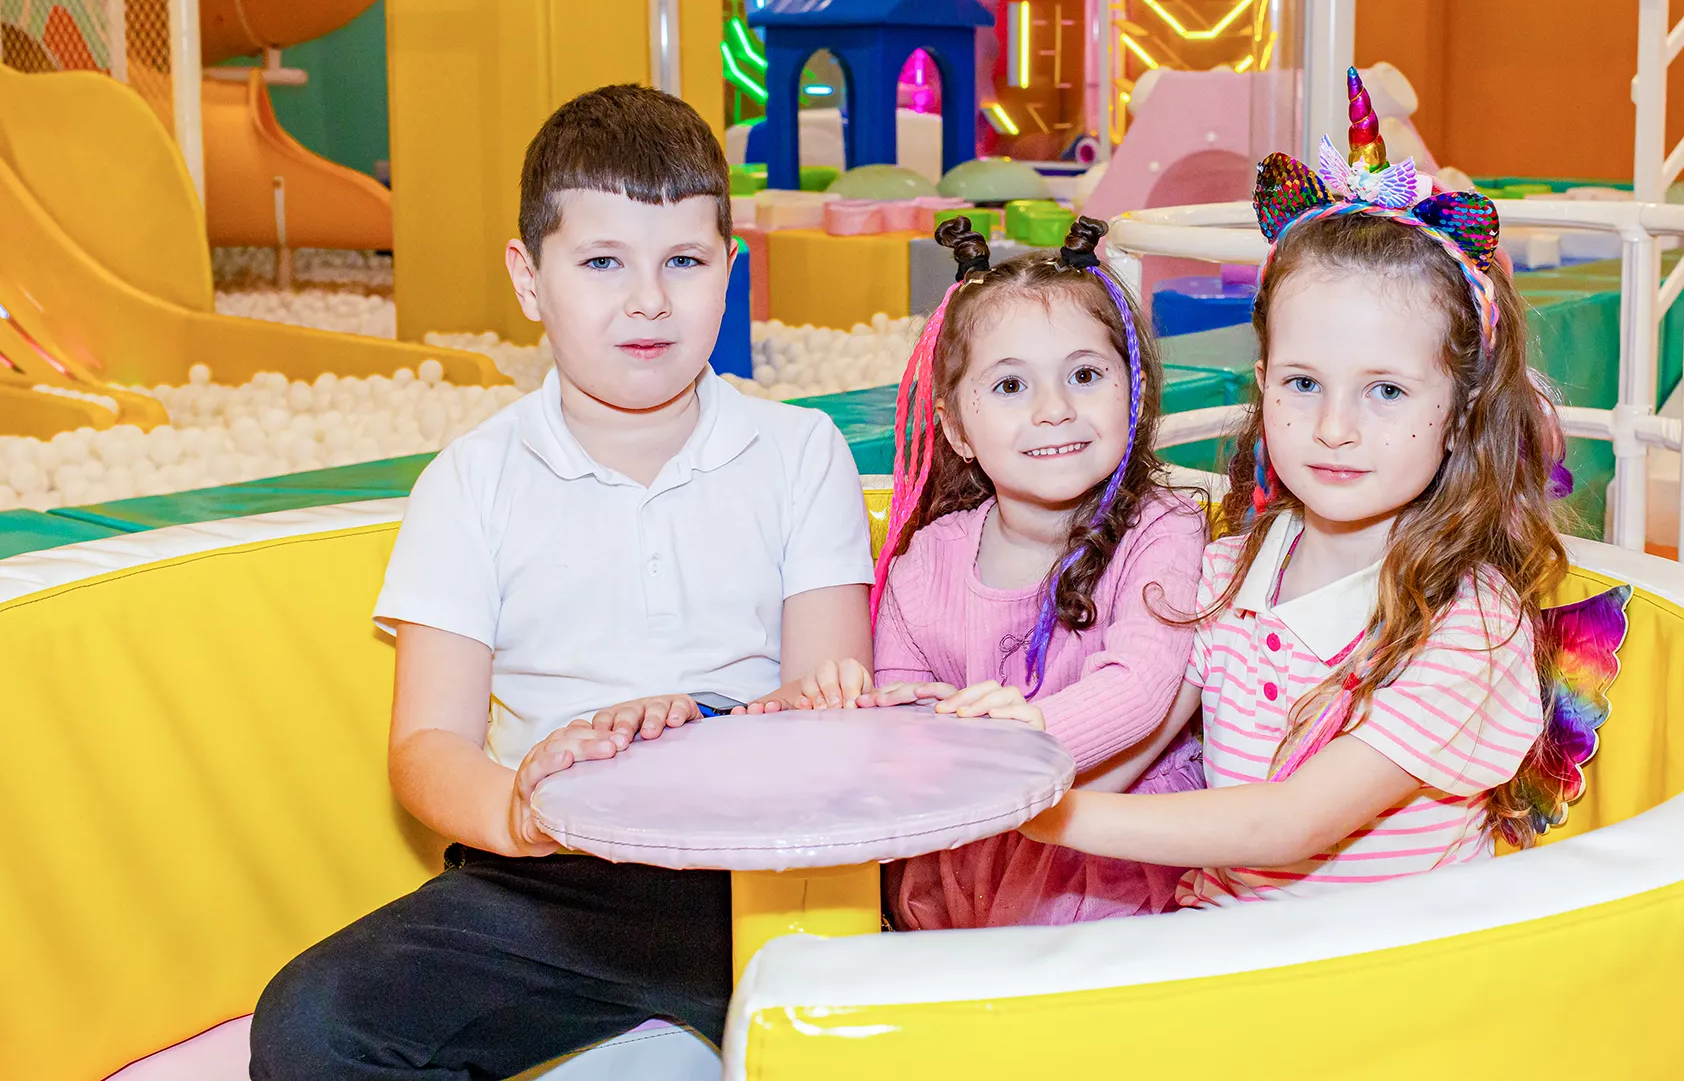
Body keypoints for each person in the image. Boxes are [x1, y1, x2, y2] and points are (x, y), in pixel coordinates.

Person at [249, 84, 875, 1077]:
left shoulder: (799, 451)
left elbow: (828, 706)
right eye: (601, 262)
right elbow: (426, 746)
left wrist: (717, 726)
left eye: (683, 261)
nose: (648, 300)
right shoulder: (472, 479)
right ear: (529, 278)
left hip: (759, 875)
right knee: (311, 1023)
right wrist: (524, 809)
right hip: (549, 884)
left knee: (904, 1021)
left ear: (729, 270)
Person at [1024, 80, 1588, 903]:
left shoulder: (1467, 622)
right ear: (1262, 382)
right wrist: (1014, 776)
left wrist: (1052, 815)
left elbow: (1288, 824)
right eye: (1303, 383)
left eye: (1385, 391)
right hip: (1229, 935)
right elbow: (1136, 742)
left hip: (1379, 963)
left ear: (1460, 412)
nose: (1333, 427)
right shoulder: (1229, 571)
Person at [847, 216, 1208, 928]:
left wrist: (1024, 733)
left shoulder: (1163, 530)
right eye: (1011, 385)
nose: (1053, 410)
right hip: (967, 852)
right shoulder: (927, 563)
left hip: (1112, 859)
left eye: (1084, 375)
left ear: (1133, 392)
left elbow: (1141, 685)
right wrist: (918, 730)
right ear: (957, 428)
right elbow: (898, 713)